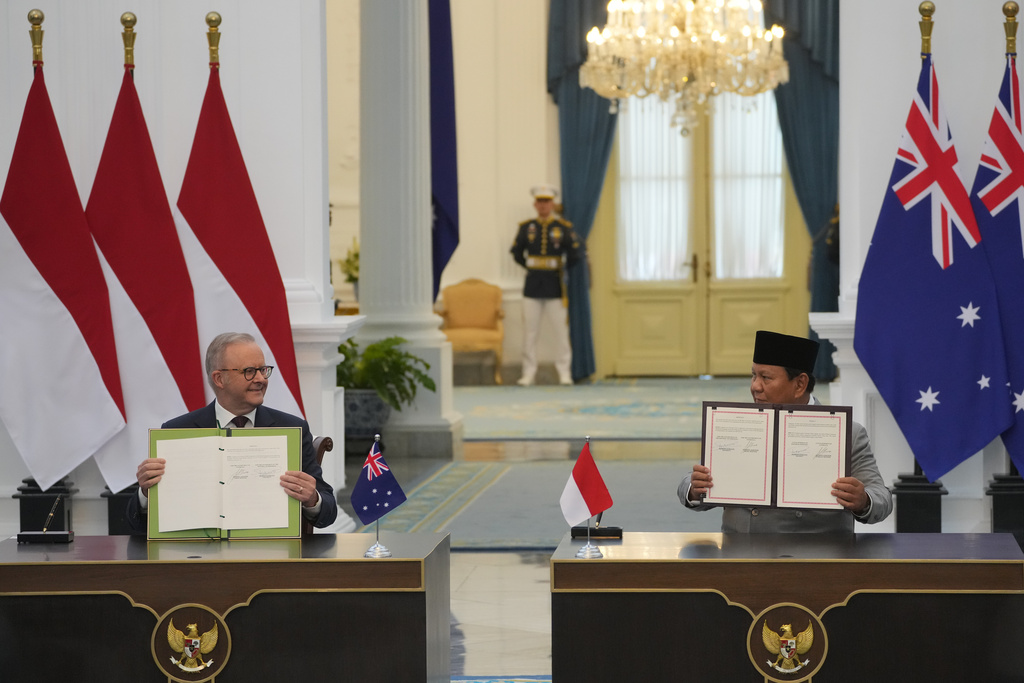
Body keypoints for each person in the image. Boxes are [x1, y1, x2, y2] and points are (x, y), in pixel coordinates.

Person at [678, 330, 893, 533]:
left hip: (814, 559)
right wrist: (695, 489)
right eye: (753, 375)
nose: (755, 386)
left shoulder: (845, 433)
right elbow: (689, 484)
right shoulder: (737, 424)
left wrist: (863, 500)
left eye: (766, 378)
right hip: (740, 556)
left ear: (800, 384)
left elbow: (882, 497)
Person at [126, 332, 338, 533]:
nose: (261, 379)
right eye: (249, 371)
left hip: (271, 556)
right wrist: (146, 492)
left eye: (263, 370)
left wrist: (312, 499)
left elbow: (328, 512)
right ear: (219, 379)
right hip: (197, 558)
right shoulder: (177, 432)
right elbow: (136, 524)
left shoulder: (293, 429)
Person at [510, 184, 581, 386]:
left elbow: (574, 255)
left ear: (552, 204)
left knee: (560, 332)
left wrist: (560, 267)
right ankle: (528, 373)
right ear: (535, 204)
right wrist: (531, 266)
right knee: (530, 332)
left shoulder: (563, 228)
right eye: (540, 202)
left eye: (547, 202)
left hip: (555, 286)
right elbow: (516, 253)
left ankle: (564, 372)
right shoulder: (526, 227)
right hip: (532, 285)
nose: (543, 206)